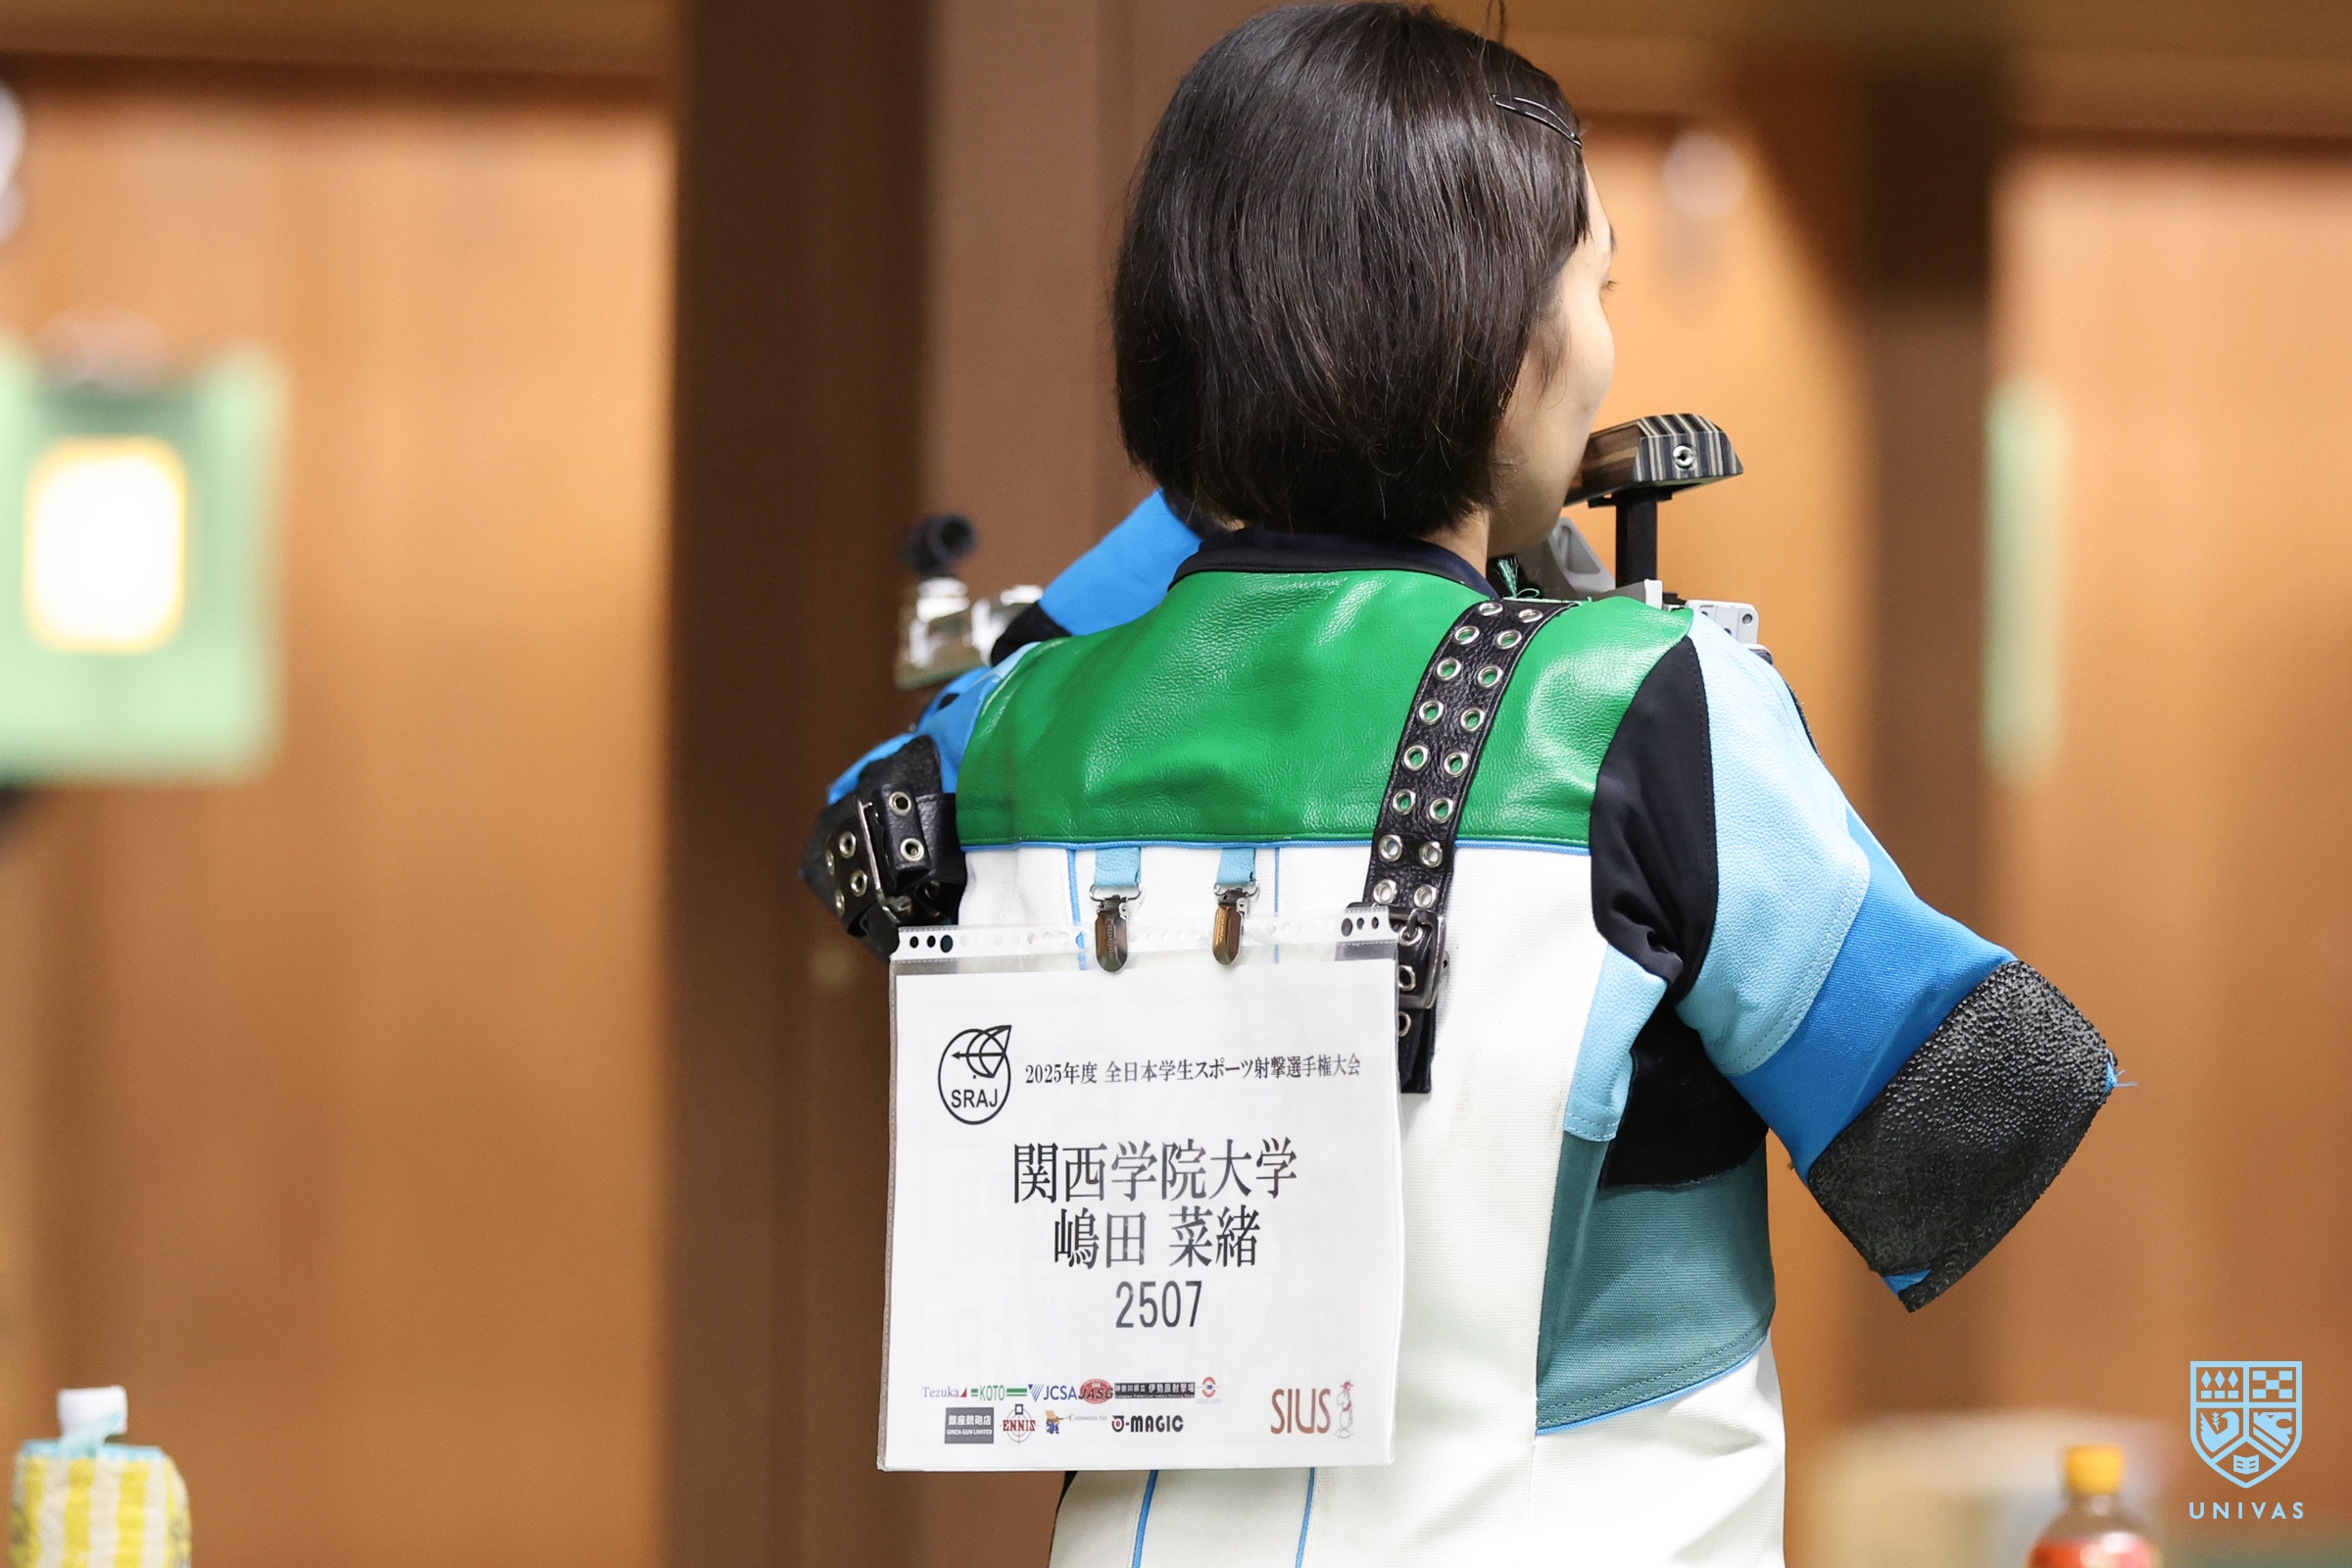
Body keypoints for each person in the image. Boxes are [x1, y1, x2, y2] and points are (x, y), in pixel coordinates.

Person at [808, 8, 2113, 1564]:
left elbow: (882, 823)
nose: (1606, 345)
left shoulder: (1018, 731)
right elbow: (1969, 1114)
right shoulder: (1646, 707)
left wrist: (1218, 498)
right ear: (1500, 349)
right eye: (1596, 288)